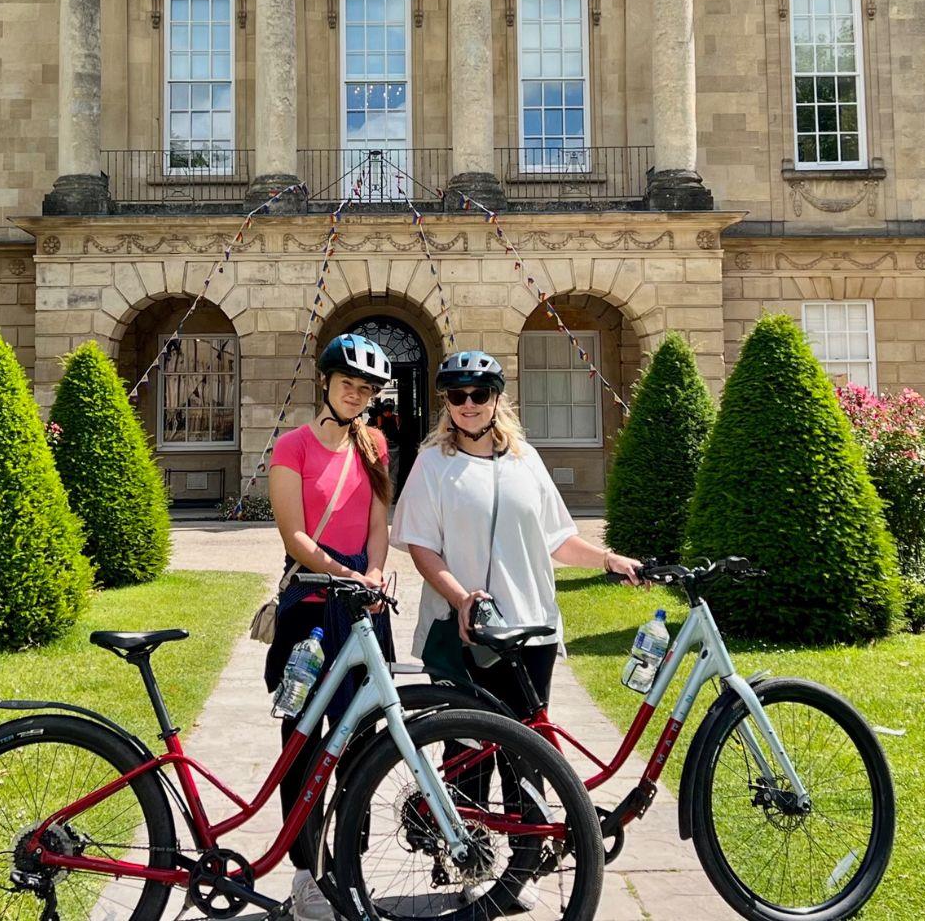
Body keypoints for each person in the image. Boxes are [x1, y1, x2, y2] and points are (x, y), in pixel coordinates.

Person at [394, 349, 643, 722]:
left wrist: (609, 559)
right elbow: (422, 546)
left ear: (496, 399)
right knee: (465, 759)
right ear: (447, 403)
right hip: (464, 631)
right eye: (457, 396)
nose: (468, 404)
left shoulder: (524, 459)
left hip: (530, 630)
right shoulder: (432, 464)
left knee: (526, 759)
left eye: (479, 394)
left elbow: (557, 538)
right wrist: (462, 599)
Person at [266, 332, 395, 921]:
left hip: (360, 611)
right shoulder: (291, 445)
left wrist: (372, 571)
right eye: (348, 383)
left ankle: (349, 862)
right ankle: (303, 873)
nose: (356, 393)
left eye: (366, 388)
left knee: (365, 739)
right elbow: (293, 533)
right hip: (311, 608)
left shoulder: (374, 444)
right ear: (326, 382)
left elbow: (378, 522)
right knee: (303, 741)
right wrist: (343, 573)